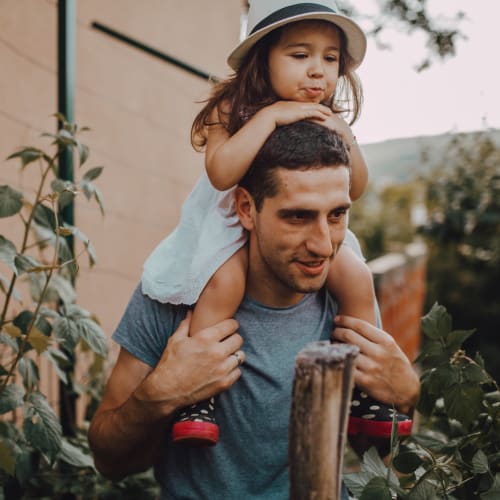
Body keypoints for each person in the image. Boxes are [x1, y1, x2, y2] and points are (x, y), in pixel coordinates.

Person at [88, 120, 420, 499]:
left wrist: (405, 395)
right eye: (298, 216)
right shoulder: (176, 294)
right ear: (246, 209)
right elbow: (109, 461)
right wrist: (161, 394)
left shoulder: (346, 295)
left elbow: (374, 454)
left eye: (336, 215)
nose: (324, 245)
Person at [141, 0, 411, 446]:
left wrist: (348, 138)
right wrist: (270, 118)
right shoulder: (235, 107)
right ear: (262, 58)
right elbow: (222, 173)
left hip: (299, 227)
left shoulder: (328, 118)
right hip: (231, 224)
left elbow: (356, 187)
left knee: (356, 275)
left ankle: (367, 391)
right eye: (300, 55)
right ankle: (197, 396)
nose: (317, 71)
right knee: (224, 283)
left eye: (329, 59)